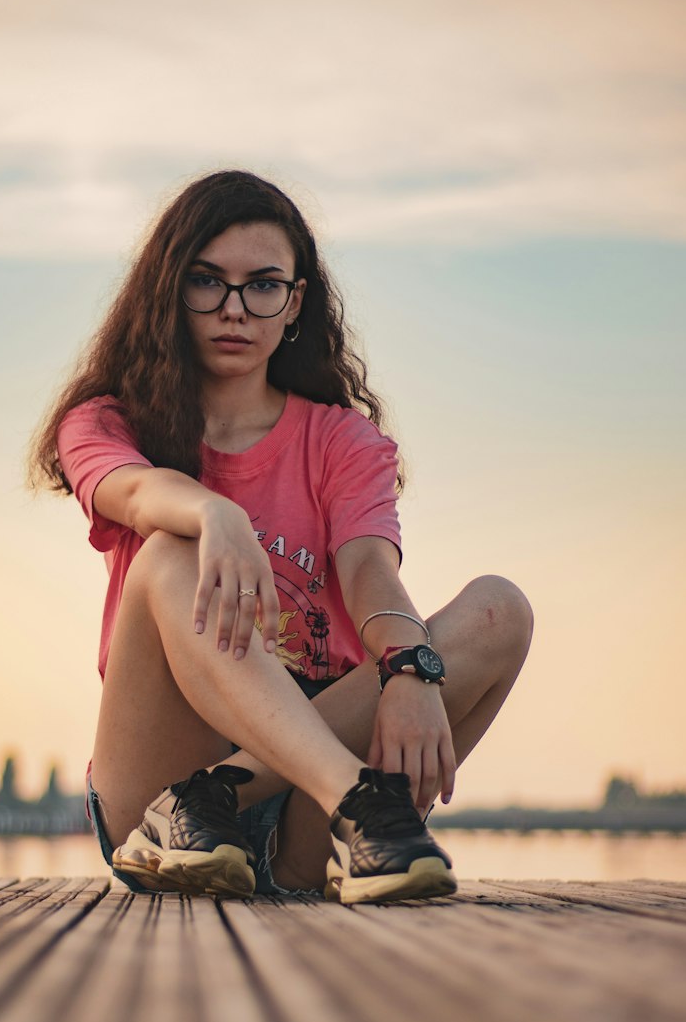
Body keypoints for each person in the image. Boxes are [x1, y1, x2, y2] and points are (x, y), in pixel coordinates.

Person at [26, 170, 532, 904]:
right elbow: (134, 493)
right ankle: (357, 799)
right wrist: (214, 514)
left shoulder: (343, 442)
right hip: (155, 792)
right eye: (207, 282)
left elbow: (369, 573)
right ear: (171, 290)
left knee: (500, 609)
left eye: (262, 286)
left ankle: (252, 800)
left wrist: (411, 670)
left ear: (295, 301)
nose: (235, 310)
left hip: (303, 817)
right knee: (171, 549)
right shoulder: (106, 422)